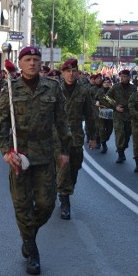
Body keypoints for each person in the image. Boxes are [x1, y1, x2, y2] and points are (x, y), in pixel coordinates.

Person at [0, 46, 71, 275]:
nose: (32, 63)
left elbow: (62, 122)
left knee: (47, 204)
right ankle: (32, 249)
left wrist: (65, 150)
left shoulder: (52, 87)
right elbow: (0, 126)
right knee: (22, 204)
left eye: (36, 59)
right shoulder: (9, 88)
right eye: (28, 59)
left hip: (45, 154)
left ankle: (28, 235)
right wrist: (6, 151)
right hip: (20, 154)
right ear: (20, 63)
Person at [56, 58, 96, 220]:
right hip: (58, 137)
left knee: (75, 168)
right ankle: (65, 202)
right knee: (63, 169)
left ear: (78, 73)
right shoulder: (55, 90)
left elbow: (90, 115)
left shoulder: (84, 91)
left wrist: (93, 136)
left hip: (77, 137)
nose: (71, 74)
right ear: (63, 73)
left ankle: (64, 189)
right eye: (68, 71)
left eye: (74, 71)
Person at [107, 69, 135, 163]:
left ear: (129, 77)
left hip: (129, 115)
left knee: (127, 135)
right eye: (121, 76)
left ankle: (123, 148)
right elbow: (107, 97)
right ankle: (120, 153)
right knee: (119, 134)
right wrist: (115, 106)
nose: (122, 78)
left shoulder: (133, 88)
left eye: (125, 76)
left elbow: (137, 101)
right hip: (118, 114)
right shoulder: (115, 87)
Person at [94, 76, 115, 153]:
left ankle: (103, 139)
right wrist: (96, 101)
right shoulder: (99, 91)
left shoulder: (113, 91)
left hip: (111, 113)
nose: (106, 84)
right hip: (101, 112)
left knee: (109, 129)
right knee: (101, 129)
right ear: (102, 84)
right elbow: (94, 99)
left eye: (108, 82)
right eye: (105, 82)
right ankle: (104, 145)